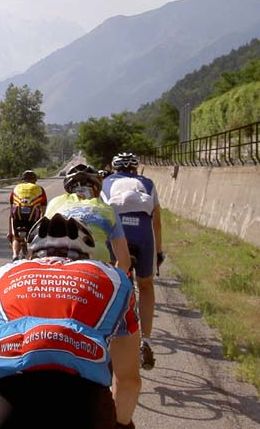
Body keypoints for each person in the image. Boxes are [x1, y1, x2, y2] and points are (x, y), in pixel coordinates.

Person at [0, 213, 141, 429]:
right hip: (84, 402)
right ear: (87, 255)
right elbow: (128, 382)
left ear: (31, 254)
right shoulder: (115, 279)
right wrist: (121, 424)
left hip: (4, 398)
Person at [101, 152, 165, 371]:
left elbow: (102, 216)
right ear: (136, 169)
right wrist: (159, 252)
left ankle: (106, 336)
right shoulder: (147, 183)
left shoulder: (106, 182)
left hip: (118, 235)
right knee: (146, 286)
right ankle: (145, 340)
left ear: (115, 169)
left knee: (112, 285)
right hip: (143, 236)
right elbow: (156, 221)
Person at [45, 163, 131, 273]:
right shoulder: (108, 210)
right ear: (97, 189)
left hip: (56, 270)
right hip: (96, 271)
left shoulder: (54, 203)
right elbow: (124, 262)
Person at [7, 170, 47, 261]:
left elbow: (11, 209)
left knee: (16, 238)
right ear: (35, 180)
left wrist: (10, 232)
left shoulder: (16, 188)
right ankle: (29, 258)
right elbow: (43, 210)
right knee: (32, 239)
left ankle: (15, 255)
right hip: (33, 218)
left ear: (23, 179)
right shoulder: (39, 188)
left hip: (17, 216)